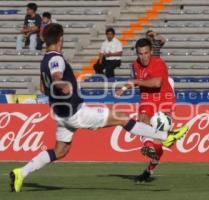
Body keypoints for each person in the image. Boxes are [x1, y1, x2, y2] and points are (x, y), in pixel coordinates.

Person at [9, 24, 188, 192]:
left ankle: (21, 173)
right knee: (122, 118)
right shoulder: (56, 58)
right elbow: (56, 77)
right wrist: (62, 85)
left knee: (60, 151)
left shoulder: (44, 60)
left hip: (60, 115)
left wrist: (56, 87)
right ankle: (166, 136)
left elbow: (42, 87)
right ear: (60, 39)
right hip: (76, 113)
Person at [116, 38, 176, 183]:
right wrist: (124, 88)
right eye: (140, 53)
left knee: (158, 143)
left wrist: (135, 82)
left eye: (146, 53)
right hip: (147, 99)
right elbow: (134, 80)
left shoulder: (159, 63)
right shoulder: (135, 65)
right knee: (142, 119)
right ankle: (148, 146)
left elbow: (157, 83)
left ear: (151, 52)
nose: (143, 56)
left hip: (164, 99)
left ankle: (149, 169)